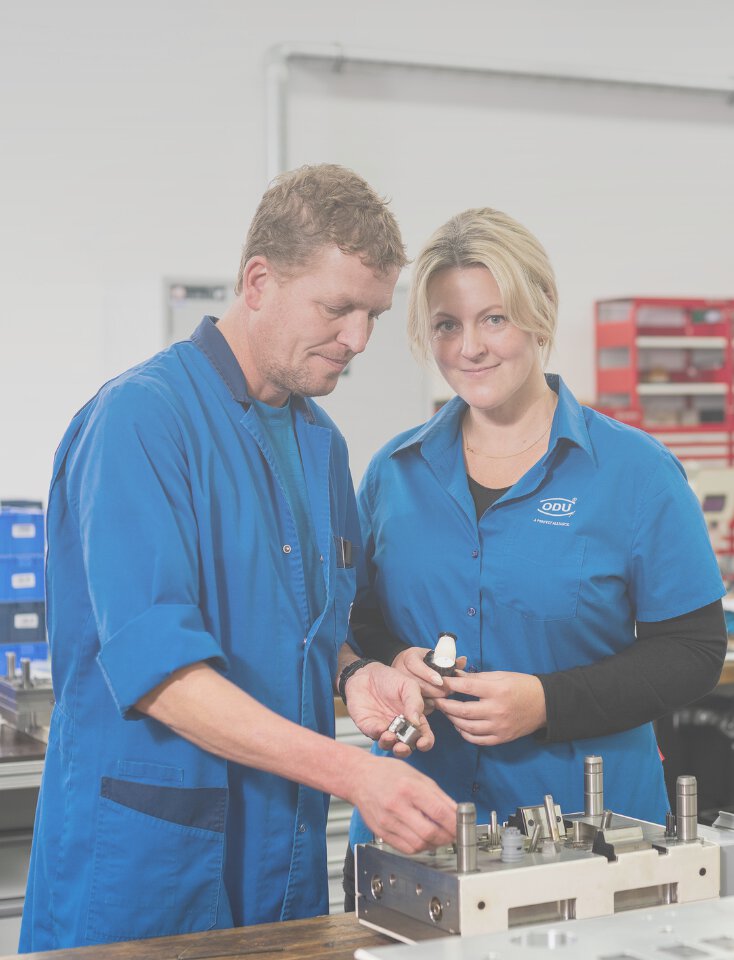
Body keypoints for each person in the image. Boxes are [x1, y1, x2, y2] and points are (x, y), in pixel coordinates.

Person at [20, 164, 457, 952]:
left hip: (279, 861)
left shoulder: (321, 443)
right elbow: (163, 678)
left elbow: (308, 631)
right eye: (337, 308)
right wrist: (355, 774)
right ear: (258, 281)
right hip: (148, 869)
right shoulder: (142, 422)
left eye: (372, 315)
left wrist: (358, 674)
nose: (357, 340)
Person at [343, 206, 727, 908]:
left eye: (495, 318)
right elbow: (358, 625)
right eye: (447, 325)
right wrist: (390, 661)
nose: (471, 347)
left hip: (593, 834)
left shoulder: (635, 473)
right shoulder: (392, 475)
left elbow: (696, 649)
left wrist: (548, 704)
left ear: (541, 314)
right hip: (414, 824)